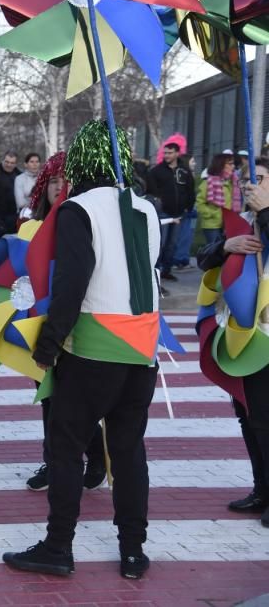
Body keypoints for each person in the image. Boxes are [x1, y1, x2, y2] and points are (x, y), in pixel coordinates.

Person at [3, 120, 160, 581]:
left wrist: (49, 343)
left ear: (80, 160)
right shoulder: (146, 208)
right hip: (142, 346)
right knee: (128, 452)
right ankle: (133, 550)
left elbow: (73, 283)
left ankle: (58, 547)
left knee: (66, 448)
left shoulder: (78, 209)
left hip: (93, 346)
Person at [19, 152, 106, 492]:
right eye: (52, 180)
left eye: (64, 180)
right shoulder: (30, 226)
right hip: (39, 321)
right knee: (48, 396)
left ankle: (95, 451)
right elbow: (19, 271)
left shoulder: (84, 221)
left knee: (73, 400)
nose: (58, 186)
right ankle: (53, 461)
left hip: (79, 320)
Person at [196, 159, 269, 529]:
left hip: (266, 335)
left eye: (260, 178)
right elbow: (203, 259)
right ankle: (262, 489)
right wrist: (227, 244)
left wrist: (266, 212)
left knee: (265, 417)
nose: (250, 185)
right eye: (246, 179)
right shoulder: (242, 220)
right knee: (248, 414)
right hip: (241, 330)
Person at [147, 140, 194, 280]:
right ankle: (155, 270)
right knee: (160, 243)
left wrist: (188, 207)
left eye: (170, 153)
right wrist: (159, 203)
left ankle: (166, 271)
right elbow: (151, 191)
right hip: (163, 213)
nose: (166, 155)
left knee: (172, 244)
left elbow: (190, 190)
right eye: (165, 153)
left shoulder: (184, 171)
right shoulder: (156, 171)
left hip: (179, 213)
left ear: (177, 153)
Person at [196, 153, 240, 245]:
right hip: (212, 225)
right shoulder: (208, 182)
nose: (233, 166)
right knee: (214, 249)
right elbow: (200, 203)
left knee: (225, 249)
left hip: (228, 223)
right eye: (230, 164)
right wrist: (211, 214)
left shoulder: (233, 182)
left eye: (233, 163)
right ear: (221, 165)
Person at [14, 152, 42, 217]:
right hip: (25, 214)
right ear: (26, 164)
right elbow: (20, 203)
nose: (35, 164)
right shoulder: (19, 179)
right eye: (32, 162)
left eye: (37, 162)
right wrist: (38, 202)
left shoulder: (44, 178)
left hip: (42, 213)